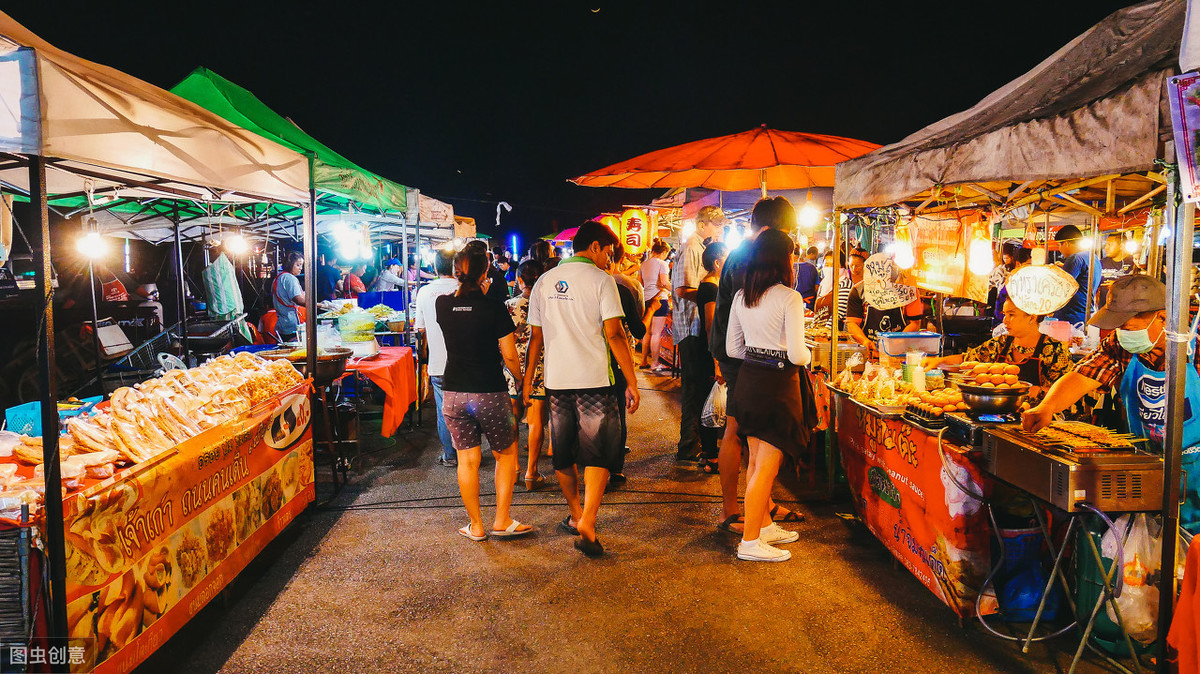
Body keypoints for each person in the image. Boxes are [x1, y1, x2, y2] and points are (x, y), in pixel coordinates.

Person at [1023, 274, 1200, 530]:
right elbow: (1084, 375)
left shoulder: (1195, 346)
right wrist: (1047, 406)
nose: (1121, 333)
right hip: (1146, 468)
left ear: (1162, 317)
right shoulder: (1121, 345)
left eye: (1128, 325)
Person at [524, 221, 640, 557]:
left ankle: (576, 514)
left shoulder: (543, 282)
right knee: (598, 452)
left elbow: (536, 339)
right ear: (595, 247)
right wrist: (632, 381)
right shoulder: (602, 281)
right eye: (609, 252)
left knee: (563, 452)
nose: (610, 260)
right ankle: (588, 518)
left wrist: (529, 381)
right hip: (595, 383)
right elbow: (615, 334)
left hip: (557, 382)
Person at [709, 197, 803, 535]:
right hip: (749, 362)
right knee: (738, 433)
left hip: (737, 354)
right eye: (787, 232)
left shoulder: (743, 254)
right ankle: (733, 511)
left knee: (753, 439)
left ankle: (760, 509)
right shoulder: (752, 257)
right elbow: (749, 314)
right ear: (777, 227)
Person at [436, 248, 532, 541]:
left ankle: (476, 526)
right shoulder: (493, 308)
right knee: (505, 455)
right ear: (485, 272)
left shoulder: (442, 305)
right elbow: (509, 355)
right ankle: (501, 520)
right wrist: (522, 382)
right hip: (490, 391)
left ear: (456, 273)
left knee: (467, 461)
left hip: (453, 391)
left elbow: (460, 315)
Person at [726, 228, 809, 562]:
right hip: (777, 385)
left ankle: (763, 526)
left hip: (748, 380)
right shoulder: (789, 297)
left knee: (757, 460)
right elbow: (798, 355)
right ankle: (749, 543)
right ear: (783, 260)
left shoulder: (741, 296)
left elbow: (733, 347)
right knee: (766, 466)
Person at [927, 298, 1071, 401]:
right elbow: (968, 360)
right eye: (1004, 315)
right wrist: (939, 362)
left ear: (1032, 317)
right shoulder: (1001, 343)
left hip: (1040, 420)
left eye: (1012, 315)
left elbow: (1066, 391)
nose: (1005, 320)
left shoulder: (1054, 350)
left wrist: (1038, 392)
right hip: (1000, 413)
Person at [671, 205, 727, 462]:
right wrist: (710, 296)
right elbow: (683, 289)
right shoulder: (693, 247)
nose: (720, 230)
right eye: (717, 225)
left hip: (695, 327)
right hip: (691, 326)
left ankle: (693, 445)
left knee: (697, 388)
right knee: (693, 389)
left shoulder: (698, 246)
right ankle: (688, 447)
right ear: (703, 223)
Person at [504, 260, 550, 491]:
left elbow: (502, 341)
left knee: (512, 419)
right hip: (539, 366)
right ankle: (532, 472)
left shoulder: (509, 305)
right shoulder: (547, 304)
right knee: (535, 422)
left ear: (520, 279)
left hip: (512, 368)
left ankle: (513, 469)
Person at [413, 251, 461, 467]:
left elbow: (420, 329)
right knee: (466, 410)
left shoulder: (424, 292)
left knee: (445, 411)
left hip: (438, 363)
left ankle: (450, 455)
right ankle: (469, 453)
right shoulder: (464, 288)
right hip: (465, 362)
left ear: (434, 268)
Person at [607, 243, 648, 488]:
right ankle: (615, 468)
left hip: (583, 364)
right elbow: (637, 329)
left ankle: (592, 463)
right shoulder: (622, 289)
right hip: (615, 362)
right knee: (617, 413)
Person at [696, 241, 729, 474]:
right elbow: (710, 325)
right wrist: (717, 361)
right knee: (710, 403)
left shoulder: (713, 285)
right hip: (709, 351)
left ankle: (708, 454)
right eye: (726, 258)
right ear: (717, 262)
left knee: (709, 401)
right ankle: (710, 456)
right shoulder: (710, 287)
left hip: (710, 350)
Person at [844, 257, 923, 351]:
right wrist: (865, 341)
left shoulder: (909, 292)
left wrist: (898, 341)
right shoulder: (858, 291)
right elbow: (852, 324)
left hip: (899, 350)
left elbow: (915, 323)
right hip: (869, 349)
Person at [1052, 225, 1101, 326]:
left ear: (1066, 243)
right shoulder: (1093, 256)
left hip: (1070, 316)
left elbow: (1062, 287)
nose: (1059, 249)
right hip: (1086, 313)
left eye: (1059, 245)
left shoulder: (1074, 258)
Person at [640, 239, 672, 370]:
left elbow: (640, 283)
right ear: (663, 252)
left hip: (646, 300)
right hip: (659, 299)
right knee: (656, 333)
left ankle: (643, 361)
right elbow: (664, 282)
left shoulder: (644, 264)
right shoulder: (662, 263)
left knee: (647, 332)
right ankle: (654, 363)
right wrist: (675, 289)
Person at [272, 252, 306, 343]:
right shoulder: (290, 278)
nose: (301, 268)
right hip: (292, 325)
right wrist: (319, 305)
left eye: (301, 265)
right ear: (290, 264)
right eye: (298, 265)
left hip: (283, 324)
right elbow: (299, 300)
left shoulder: (279, 277)